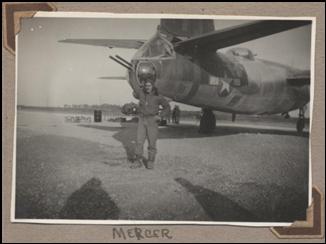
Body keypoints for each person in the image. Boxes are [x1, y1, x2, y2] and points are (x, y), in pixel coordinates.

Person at [131, 80, 170, 169]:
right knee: (139, 141)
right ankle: (138, 161)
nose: (147, 87)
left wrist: (160, 116)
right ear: (144, 86)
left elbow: (167, 107)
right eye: (146, 85)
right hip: (142, 119)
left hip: (152, 120)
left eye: (149, 85)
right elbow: (134, 85)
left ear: (153, 86)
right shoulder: (141, 93)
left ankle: (150, 161)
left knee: (152, 143)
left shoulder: (158, 96)